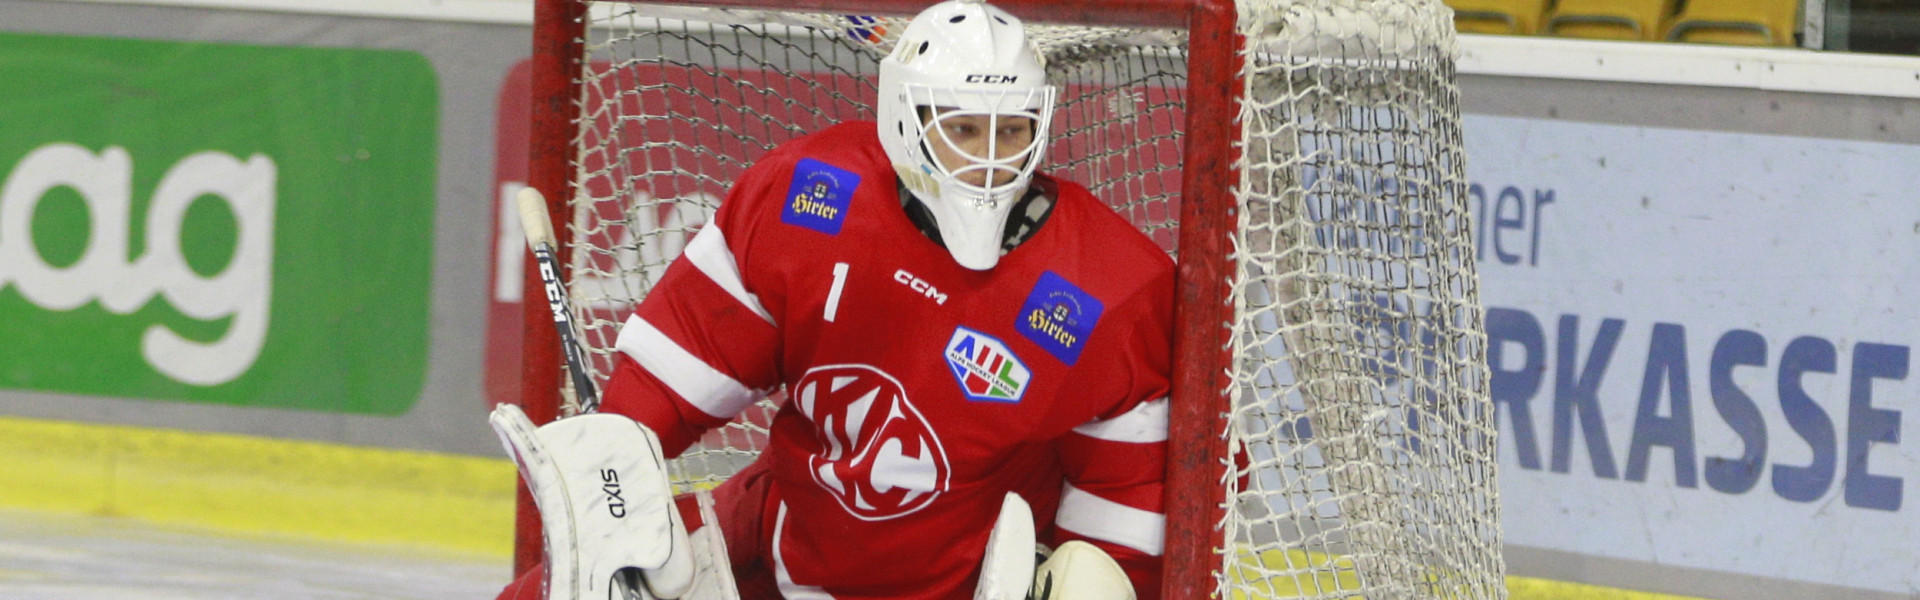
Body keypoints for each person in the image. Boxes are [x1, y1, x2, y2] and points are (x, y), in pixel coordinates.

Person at [495, 1, 1172, 598]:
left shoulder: (1112, 288)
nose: (989, 159)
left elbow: (1125, 507)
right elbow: (685, 364)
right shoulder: (810, 196)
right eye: (963, 130)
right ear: (906, 119)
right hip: (772, 540)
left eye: (1011, 131)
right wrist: (616, 467)